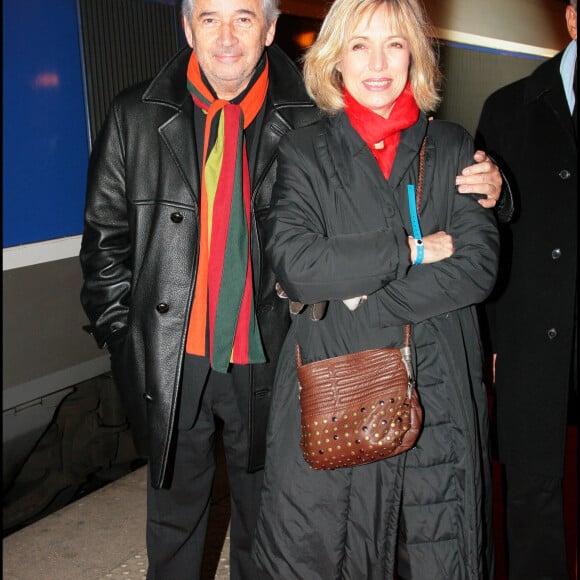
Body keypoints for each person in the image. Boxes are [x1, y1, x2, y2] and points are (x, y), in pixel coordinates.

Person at [79, 0, 506, 578]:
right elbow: (106, 242)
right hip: (175, 356)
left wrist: (500, 190)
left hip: (270, 354)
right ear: (187, 27)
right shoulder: (134, 115)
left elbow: (440, 209)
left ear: (271, 29)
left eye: (245, 18)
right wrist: (123, 338)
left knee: (267, 524)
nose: (226, 37)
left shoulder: (302, 115)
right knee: (174, 525)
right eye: (209, 18)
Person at [251, 0, 500, 578]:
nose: (378, 62)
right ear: (335, 57)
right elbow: (297, 264)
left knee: (435, 552)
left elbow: (478, 266)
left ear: (415, 53)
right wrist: (407, 252)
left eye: (394, 43)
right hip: (333, 394)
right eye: (360, 44)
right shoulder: (304, 152)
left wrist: (362, 300)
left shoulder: (454, 147)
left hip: (436, 395)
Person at [475, 1, 577, 578]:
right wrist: (489, 334)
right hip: (529, 328)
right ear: (571, 19)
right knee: (531, 488)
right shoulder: (508, 108)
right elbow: (485, 234)